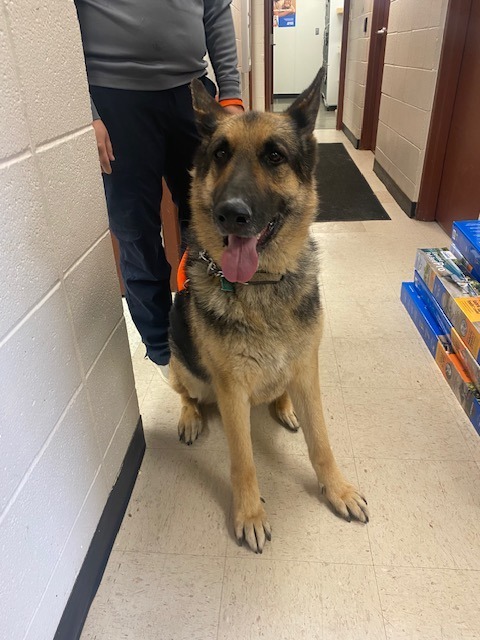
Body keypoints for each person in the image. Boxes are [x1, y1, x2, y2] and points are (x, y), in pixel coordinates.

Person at [74, 1, 244, 378]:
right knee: (135, 232)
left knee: (217, 226)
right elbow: (59, 21)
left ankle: (215, 334)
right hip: (114, 97)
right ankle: (163, 351)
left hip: (192, 93)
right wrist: (84, 111)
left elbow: (215, 10)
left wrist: (230, 94)